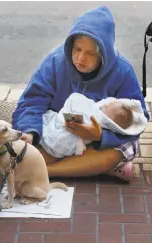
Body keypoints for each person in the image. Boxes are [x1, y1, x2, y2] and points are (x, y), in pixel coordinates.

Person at [12, 6, 149, 181]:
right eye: (77, 49)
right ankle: (89, 167)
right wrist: (30, 133)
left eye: (90, 53)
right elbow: (31, 102)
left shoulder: (122, 71)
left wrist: (100, 136)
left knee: (117, 153)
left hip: (97, 143)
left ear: (104, 54)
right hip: (56, 131)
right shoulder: (55, 61)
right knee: (22, 152)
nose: (80, 58)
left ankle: (46, 172)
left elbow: (137, 121)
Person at [39, 93, 148, 159]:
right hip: (64, 126)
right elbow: (82, 103)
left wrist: (100, 136)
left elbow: (83, 116)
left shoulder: (101, 119)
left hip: (75, 139)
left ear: (109, 120)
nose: (106, 104)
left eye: (107, 107)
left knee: (119, 152)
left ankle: (46, 170)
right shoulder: (98, 107)